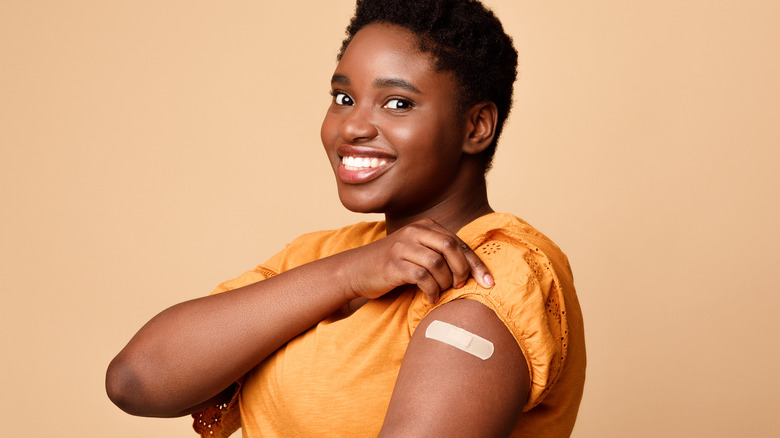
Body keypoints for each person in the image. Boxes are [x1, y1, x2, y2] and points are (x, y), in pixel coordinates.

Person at [105, 0, 586, 436]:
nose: (352, 126)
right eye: (343, 97)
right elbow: (136, 380)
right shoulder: (322, 256)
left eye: (398, 103)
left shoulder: (491, 275)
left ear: (476, 126)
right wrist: (350, 273)